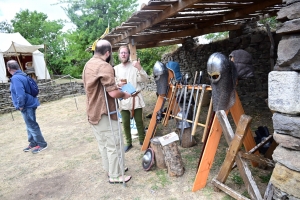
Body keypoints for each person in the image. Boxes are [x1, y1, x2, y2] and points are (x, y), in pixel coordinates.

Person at [83, 39, 132, 184]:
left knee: (103, 144)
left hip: (93, 111)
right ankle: (115, 175)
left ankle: (112, 168)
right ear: (108, 53)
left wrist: (115, 85)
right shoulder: (104, 66)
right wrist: (124, 94)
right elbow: (113, 94)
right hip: (104, 112)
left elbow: (99, 86)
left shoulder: (88, 64)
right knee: (114, 143)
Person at [7, 60, 47, 154]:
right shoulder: (23, 75)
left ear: (9, 69)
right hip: (30, 103)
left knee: (32, 125)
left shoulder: (16, 78)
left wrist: (20, 105)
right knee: (29, 124)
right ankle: (33, 143)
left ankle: (42, 144)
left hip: (26, 105)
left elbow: (20, 94)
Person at [114, 45, 149, 152]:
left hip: (135, 98)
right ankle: (128, 142)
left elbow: (145, 79)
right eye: (122, 53)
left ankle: (142, 140)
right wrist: (117, 84)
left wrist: (139, 68)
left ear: (128, 54)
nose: (123, 54)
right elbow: (112, 84)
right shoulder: (115, 69)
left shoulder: (134, 66)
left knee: (139, 121)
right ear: (119, 55)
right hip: (123, 99)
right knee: (125, 123)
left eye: (125, 52)